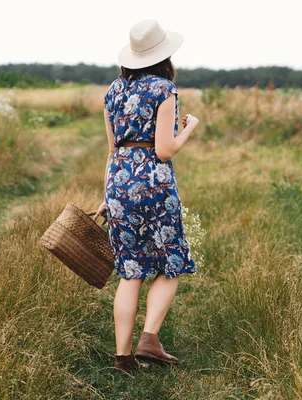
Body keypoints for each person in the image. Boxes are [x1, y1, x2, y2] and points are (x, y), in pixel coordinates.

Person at [95, 19, 200, 373]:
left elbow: (112, 150)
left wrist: (107, 195)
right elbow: (165, 150)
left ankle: (122, 359)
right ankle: (149, 340)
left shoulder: (113, 91)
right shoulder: (164, 89)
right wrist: (188, 130)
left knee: (130, 271)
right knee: (170, 260)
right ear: (164, 56)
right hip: (153, 183)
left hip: (119, 183)